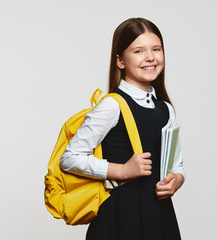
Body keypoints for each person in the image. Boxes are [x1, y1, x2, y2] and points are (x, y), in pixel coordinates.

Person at [60, 17, 185, 240]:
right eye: (138, 51)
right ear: (120, 61)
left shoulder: (166, 110)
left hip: (159, 217)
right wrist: (121, 171)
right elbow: (69, 158)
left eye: (156, 49)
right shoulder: (112, 104)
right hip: (119, 218)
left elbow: (176, 164)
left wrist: (177, 179)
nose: (150, 57)